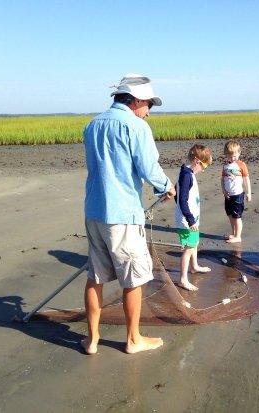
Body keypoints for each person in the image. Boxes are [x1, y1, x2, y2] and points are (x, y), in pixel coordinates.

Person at [82, 73, 176, 355]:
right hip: (122, 214)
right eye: (148, 105)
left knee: (95, 277)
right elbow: (148, 168)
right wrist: (166, 186)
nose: (149, 112)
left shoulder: (91, 125)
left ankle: (92, 340)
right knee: (134, 278)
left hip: (94, 211)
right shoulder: (136, 127)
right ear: (136, 101)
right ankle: (133, 339)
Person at [174, 144, 213, 291]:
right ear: (196, 161)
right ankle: (183, 279)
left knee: (194, 243)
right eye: (203, 166)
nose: (203, 170)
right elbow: (182, 200)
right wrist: (190, 220)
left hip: (192, 218)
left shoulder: (187, 172)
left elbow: (178, 195)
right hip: (186, 220)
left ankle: (194, 266)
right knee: (189, 248)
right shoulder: (186, 176)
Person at [221, 140, 252, 243]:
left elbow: (246, 179)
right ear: (225, 155)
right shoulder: (225, 165)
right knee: (229, 214)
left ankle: (238, 236)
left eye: (234, 156)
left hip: (238, 194)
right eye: (229, 156)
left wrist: (248, 193)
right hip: (228, 195)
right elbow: (222, 179)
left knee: (236, 216)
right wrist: (224, 190)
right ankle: (233, 232)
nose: (232, 158)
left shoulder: (241, 165)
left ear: (239, 153)